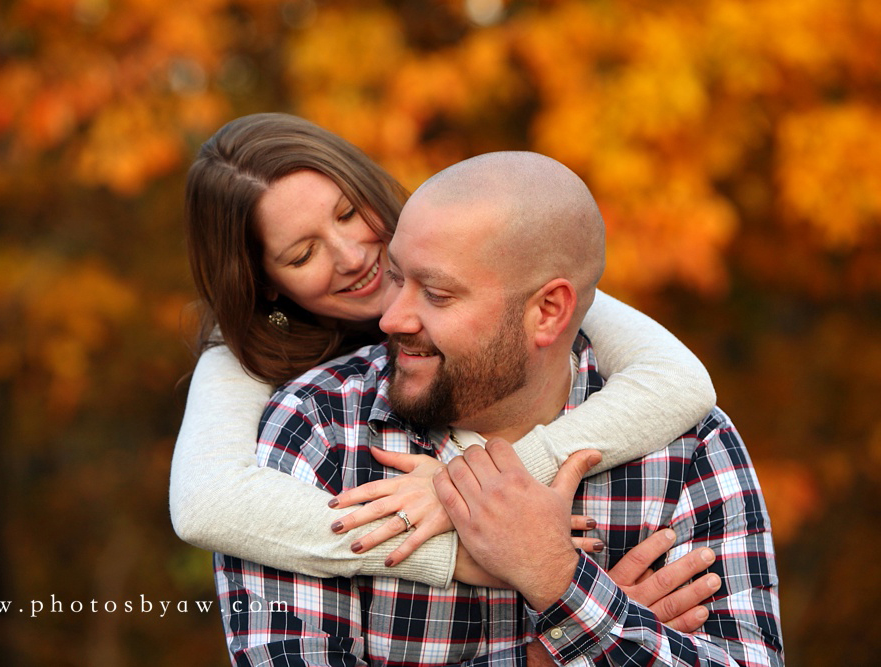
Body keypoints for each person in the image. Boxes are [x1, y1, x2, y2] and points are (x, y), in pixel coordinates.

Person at [214, 152, 782, 666]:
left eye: (436, 293)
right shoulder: (316, 429)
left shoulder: (685, 445)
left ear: (548, 312)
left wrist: (556, 576)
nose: (389, 318)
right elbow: (204, 502)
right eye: (397, 278)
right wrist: (564, 635)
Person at [170, 113, 718, 592]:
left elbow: (678, 382)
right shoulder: (247, 363)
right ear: (264, 284)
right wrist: (452, 552)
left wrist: (461, 486)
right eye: (303, 253)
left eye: (345, 214)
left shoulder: (474, 259)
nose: (353, 255)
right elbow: (207, 505)